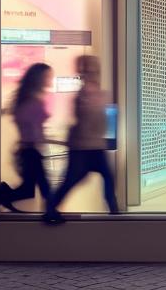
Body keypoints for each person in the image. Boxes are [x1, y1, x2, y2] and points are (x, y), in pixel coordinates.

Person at [44, 54, 118, 223]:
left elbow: (100, 119)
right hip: (82, 148)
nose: (90, 72)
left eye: (92, 68)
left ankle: (114, 212)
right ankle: (50, 209)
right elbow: (85, 118)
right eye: (86, 69)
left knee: (107, 177)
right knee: (73, 179)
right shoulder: (83, 96)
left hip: (94, 146)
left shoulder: (99, 94)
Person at [0, 62, 54, 214]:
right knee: (43, 188)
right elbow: (27, 122)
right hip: (30, 151)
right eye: (48, 77)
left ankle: (2, 195)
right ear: (39, 78)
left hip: (31, 150)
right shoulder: (30, 101)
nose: (50, 80)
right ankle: (51, 215)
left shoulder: (31, 98)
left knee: (29, 189)